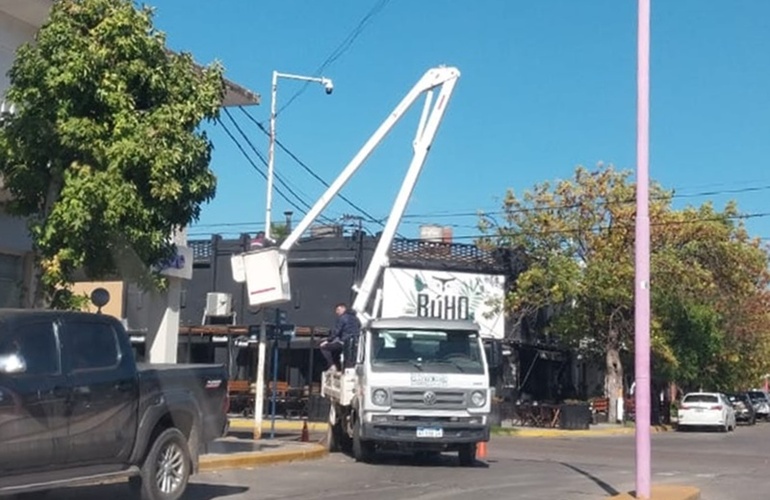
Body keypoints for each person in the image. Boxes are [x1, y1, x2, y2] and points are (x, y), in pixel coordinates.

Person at [319, 303, 361, 372]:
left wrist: (328, 340)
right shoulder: (356, 319)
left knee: (324, 347)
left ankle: (332, 366)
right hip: (355, 343)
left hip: (344, 342)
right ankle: (341, 367)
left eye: (338, 310)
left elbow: (337, 331)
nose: (337, 312)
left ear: (343, 309)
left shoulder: (343, 318)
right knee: (341, 355)